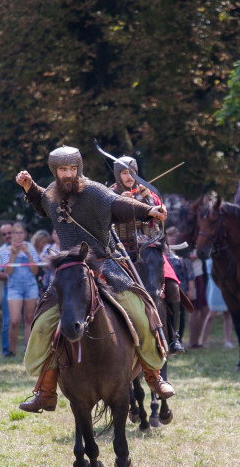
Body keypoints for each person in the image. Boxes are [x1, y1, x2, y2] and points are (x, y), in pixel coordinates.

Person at [15, 144, 174, 413]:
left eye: (72, 168)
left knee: (142, 312)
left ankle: (153, 375)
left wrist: (148, 211)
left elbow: (118, 204)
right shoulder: (53, 194)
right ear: (55, 170)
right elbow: (44, 204)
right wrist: (30, 187)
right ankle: (46, 390)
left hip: (105, 267)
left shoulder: (95, 191)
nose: (68, 174)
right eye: (62, 169)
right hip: (70, 272)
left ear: (79, 168)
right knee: (42, 323)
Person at [111, 156, 185, 354]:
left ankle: (174, 336)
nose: (129, 177)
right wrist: (121, 203)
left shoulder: (148, 192)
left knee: (172, 287)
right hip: (121, 253)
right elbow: (103, 218)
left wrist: (149, 200)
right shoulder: (109, 195)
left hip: (150, 250)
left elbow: (161, 213)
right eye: (125, 173)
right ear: (117, 174)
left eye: (132, 172)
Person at [0, 222, 40, 357]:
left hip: (30, 285)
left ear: (25, 234)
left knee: (29, 319)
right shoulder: (6, 250)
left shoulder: (31, 248)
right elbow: (8, 272)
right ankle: (11, 350)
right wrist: (13, 254)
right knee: (14, 320)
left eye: (20, 232)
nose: (18, 236)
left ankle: (28, 351)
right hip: (14, 287)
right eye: (15, 233)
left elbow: (35, 271)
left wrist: (28, 255)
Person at [0, 223, 13, 356]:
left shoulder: (27, 247)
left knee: (30, 320)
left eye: (9, 233)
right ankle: (6, 350)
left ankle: (28, 351)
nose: (7, 236)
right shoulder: (0, 252)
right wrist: (12, 276)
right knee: (7, 322)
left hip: (28, 288)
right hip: (10, 289)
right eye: (4, 234)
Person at [30, 230, 52, 296]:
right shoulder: (31, 251)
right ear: (37, 242)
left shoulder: (48, 252)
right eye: (43, 242)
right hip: (33, 280)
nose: (46, 244)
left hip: (45, 281)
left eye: (47, 242)